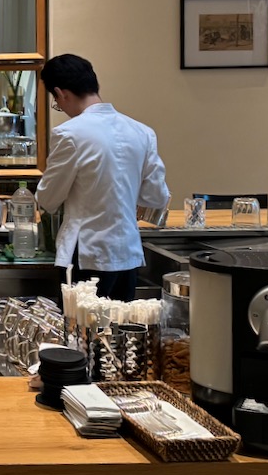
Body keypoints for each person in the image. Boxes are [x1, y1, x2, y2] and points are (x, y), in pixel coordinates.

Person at [36, 54, 169, 301]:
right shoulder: (143, 132)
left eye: (57, 102)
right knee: (122, 333)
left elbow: (48, 199)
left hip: (87, 254)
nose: (61, 108)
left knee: (82, 334)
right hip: (127, 254)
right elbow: (156, 197)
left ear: (60, 93)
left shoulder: (69, 134)